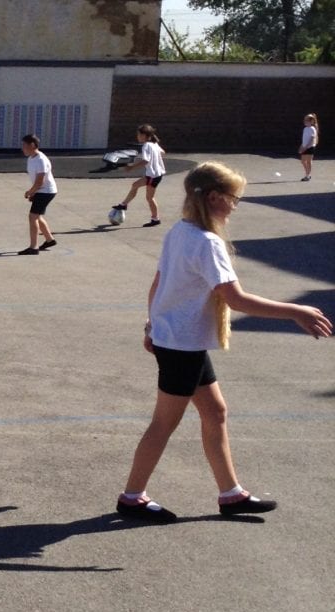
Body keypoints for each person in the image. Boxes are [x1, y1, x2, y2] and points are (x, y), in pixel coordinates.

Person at [116, 161, 331, 523]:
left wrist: (153, 325)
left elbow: (158, 282)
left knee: (215, 413)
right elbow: (237, 300)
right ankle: (131, 497)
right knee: (163, 423)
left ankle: (231, 494)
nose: (235, 205)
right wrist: (296, 311)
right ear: (214, 197)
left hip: (181, 340)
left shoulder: (181, 231)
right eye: (234, 198)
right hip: (181, 345)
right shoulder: (206, 242)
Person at [112, 123, 166, 227]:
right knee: (135, 185)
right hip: (156, 174)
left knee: (150, 198)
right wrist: (156, 157)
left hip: (153, 176)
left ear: (144, 136)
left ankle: (155, 219)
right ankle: (123, 205)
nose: (137, 137)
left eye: (139, 135)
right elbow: (163, 152)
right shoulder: (154, 144)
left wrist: (131, 167)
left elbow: (146, 160)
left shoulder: (146, 146)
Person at [17, 134, 57, 255]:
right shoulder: (31, 158)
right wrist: (34, 192)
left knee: (32, 216)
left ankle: (33, 247)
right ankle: (50, 240)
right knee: (37, 216)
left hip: (46, 191)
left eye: (25, 145)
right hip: (41, 191)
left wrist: (30, 192)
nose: (22, 148)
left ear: (33, 145)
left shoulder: (41, 160)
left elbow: (40, 181)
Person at [298, 113, 318, 181]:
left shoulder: (312, 129)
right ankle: (307, 174)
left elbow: (311, 139)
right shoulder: (305, 129)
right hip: (305, 147)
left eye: (306, 120)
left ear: (311, 121)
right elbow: (304, 139)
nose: (304, 121)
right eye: (305, 120)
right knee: (303, 161)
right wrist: (301, 146)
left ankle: (307, 175)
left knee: (309, 161)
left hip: (310, 147)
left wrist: (306, 147)